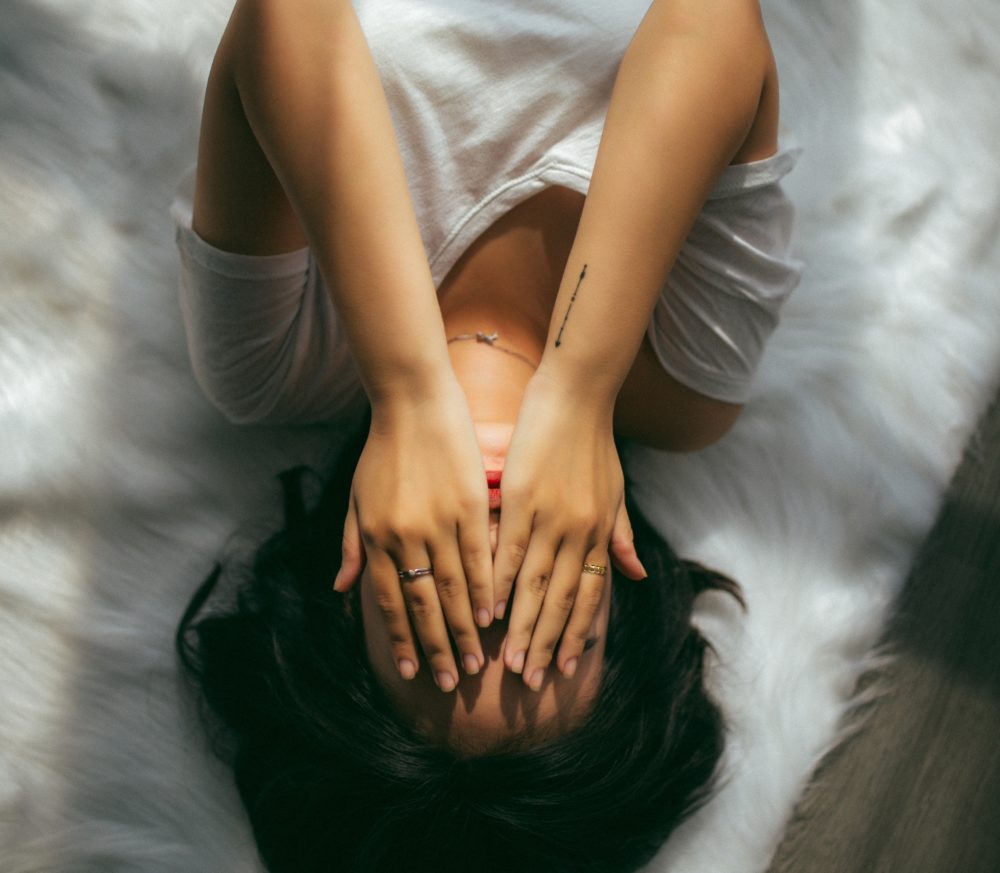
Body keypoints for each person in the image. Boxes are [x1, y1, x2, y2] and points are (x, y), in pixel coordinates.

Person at [173, 0, 801, 870]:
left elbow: (284, 17)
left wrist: (407, 388)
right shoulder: (692, 384)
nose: (491, 561)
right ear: (619, 594)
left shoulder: (273, 361)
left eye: (438, 627)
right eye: (544, 622)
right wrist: (579, 386)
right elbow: (714, 24)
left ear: (346, 596)